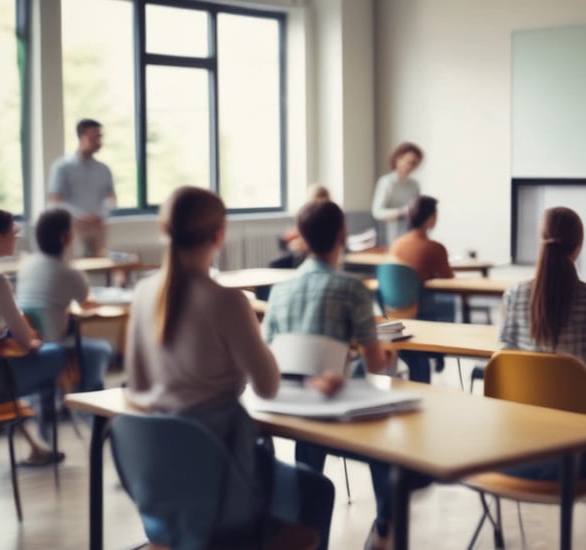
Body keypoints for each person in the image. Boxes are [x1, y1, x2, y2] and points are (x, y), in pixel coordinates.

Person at [124, 187, 334, 549]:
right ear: (219, 235)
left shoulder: (143, 293)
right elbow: (267, 385)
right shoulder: (227, 301)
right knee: (317, 491)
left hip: (162, 486)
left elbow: (136, 384)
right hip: (221, 484)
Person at [263, 199, 430, 550]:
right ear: (343, 234)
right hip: (335, 407)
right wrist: (389, 352)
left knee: (311, 443)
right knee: (387, 448)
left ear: (301, 237)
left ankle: (308, 528)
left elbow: (269, 356)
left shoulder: (280, 291)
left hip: (290, 407)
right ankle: (383, 530)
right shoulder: (352, 289)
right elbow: (376, 365)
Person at [500, 206, 586, 550]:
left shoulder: (514, 295)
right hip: (580, 455)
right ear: (577, 247)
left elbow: (504, 355)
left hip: (514, 450)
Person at [0, 208, 66, 466]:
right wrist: (32, 342)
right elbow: (24, 339)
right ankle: (46, 433)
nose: (16, 238)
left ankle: (35, 446)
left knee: (3, 361)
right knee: (56, 355)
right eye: (13, 233)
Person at [15, 208, 112, 396]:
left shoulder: (27, 265)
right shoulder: (68, 271)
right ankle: (86, 399)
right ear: (66, 238)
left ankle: (72, 399)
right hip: (56, 342)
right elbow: (87, 304)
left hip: (31, 340)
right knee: (102, 349)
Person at [389, 195, 455, 381]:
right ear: (430, 218)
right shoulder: (435, 248)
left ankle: (435, 352)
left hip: (394, 312)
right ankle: (440, 350)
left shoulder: (397, 244)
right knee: (447, 301)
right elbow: (449, 278)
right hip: (421, 312)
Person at [48, 118, 116, 257]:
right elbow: (55, 200)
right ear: (81, 137)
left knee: (100, 263)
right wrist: (81, 216)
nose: (98, 142)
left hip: (98, 226)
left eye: (100, 137)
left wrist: (101, 214)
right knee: (76, 263)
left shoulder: (103, 169)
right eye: (93, 137)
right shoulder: (62, 167)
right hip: (73, 227)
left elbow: (110, 198)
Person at [372, 142, 423, 246]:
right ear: (398, 159)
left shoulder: (414, 184)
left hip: (412, 235)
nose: (412, 166)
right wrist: (403, 212)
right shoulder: (386, 182)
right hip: (392, 235)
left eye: (415, 164)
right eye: (410, 162)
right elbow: (377, 212)